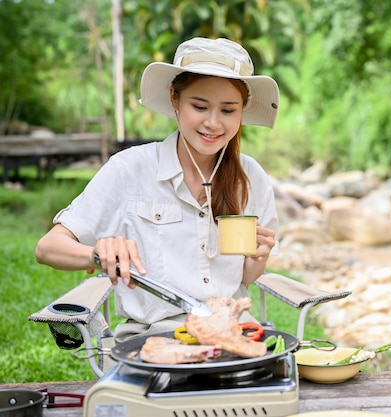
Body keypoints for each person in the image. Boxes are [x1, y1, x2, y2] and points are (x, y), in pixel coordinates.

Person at [35, 37, 280, 342]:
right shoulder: (130, 169)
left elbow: (245, 278)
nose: (213, 123)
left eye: (228, 110)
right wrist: (97, 253)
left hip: (233, 334)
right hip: (153, 341)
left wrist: (258, 257)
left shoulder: (251, 177)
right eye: (199, 106)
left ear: (242, 111)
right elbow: (47, 248)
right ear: (174, 99)